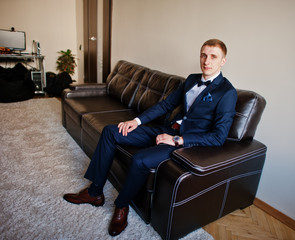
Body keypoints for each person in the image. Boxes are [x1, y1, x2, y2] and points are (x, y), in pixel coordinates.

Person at [63, 39, 238, 236]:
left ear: (223, 61)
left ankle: (122, 206)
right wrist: (136, 121)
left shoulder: (227, 93)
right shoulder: (191, 79)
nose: (207, 61)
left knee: (140, 159)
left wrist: (177, 140)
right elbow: (165, 105)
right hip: (167, 130)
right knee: (111, 132)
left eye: (213, 56)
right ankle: (95, 193)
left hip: (186, 143)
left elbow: (218, 137)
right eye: (203, 55)